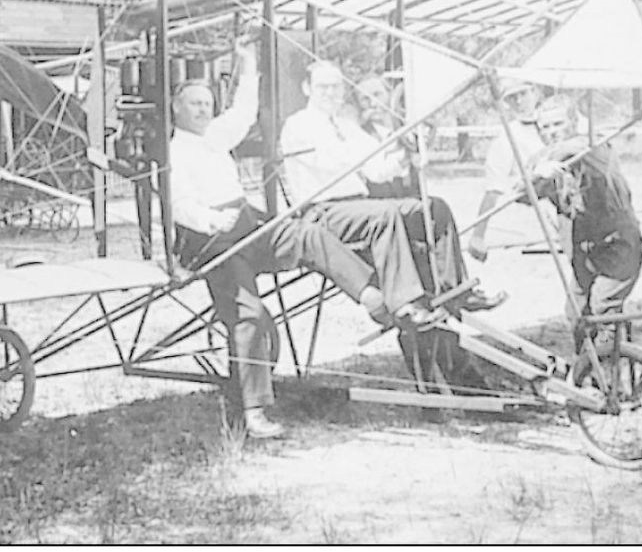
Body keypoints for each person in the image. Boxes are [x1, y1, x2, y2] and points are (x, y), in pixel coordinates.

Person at [168, 39, 426, 440]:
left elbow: (244, 109)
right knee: (249, 315)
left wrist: (248, 62)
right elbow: (179, 206)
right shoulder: (175, 152)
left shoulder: (218, 134)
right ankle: (254, 412)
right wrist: (212, 221)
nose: (203, 109)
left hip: (245, 221)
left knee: (307, 233)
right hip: (209, 240)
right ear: (176, 109)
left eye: (206, 103)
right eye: (194, 104)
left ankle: (370, 296)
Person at [279, 62, 499, 319]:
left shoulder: (346, 127)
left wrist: (405, 153)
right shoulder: (297, 126)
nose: (330, 93)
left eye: (336, 86)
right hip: (322, 213)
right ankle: (405, 303)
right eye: (322, 87)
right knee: (384, 214)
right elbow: (330, 162)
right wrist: (372, 153)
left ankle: (455, 289)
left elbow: (378, 169)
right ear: (307, 89)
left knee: (433, 208)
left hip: (357, 207)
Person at [351, 76, 505, 308]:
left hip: (408, 199)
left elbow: (422, 152)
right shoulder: (360, 134)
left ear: (388, 96)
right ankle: (445, 293)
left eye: (377, 95)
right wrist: (405, 153)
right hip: (382, 207)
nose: (373, 102)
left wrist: (418, 146)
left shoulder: (406, 127)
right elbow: (378, 172)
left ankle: (454, 287)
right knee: (435, 209)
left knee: (437, 213)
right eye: (365, 98)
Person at [524, 94, 642, 352]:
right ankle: (589, 374)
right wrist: (534, 175)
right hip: (584, 252)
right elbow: (522, 192)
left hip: (617, 245)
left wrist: (539, 164)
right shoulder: (552, 165)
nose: (552, 132)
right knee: (576, 312)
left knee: (602, 307)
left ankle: (607, 375)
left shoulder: (592, 147)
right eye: (545, 127)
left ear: (573, 121)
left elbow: (570, 150)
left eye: (557, 124)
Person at [465, 79, 550, 264]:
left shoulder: (555, 117)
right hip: (538, 204)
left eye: (523, 94)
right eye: (512, 98)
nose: (519, 102)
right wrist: (478, 235)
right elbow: (494, 186)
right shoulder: (509, 135)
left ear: (535, 92)